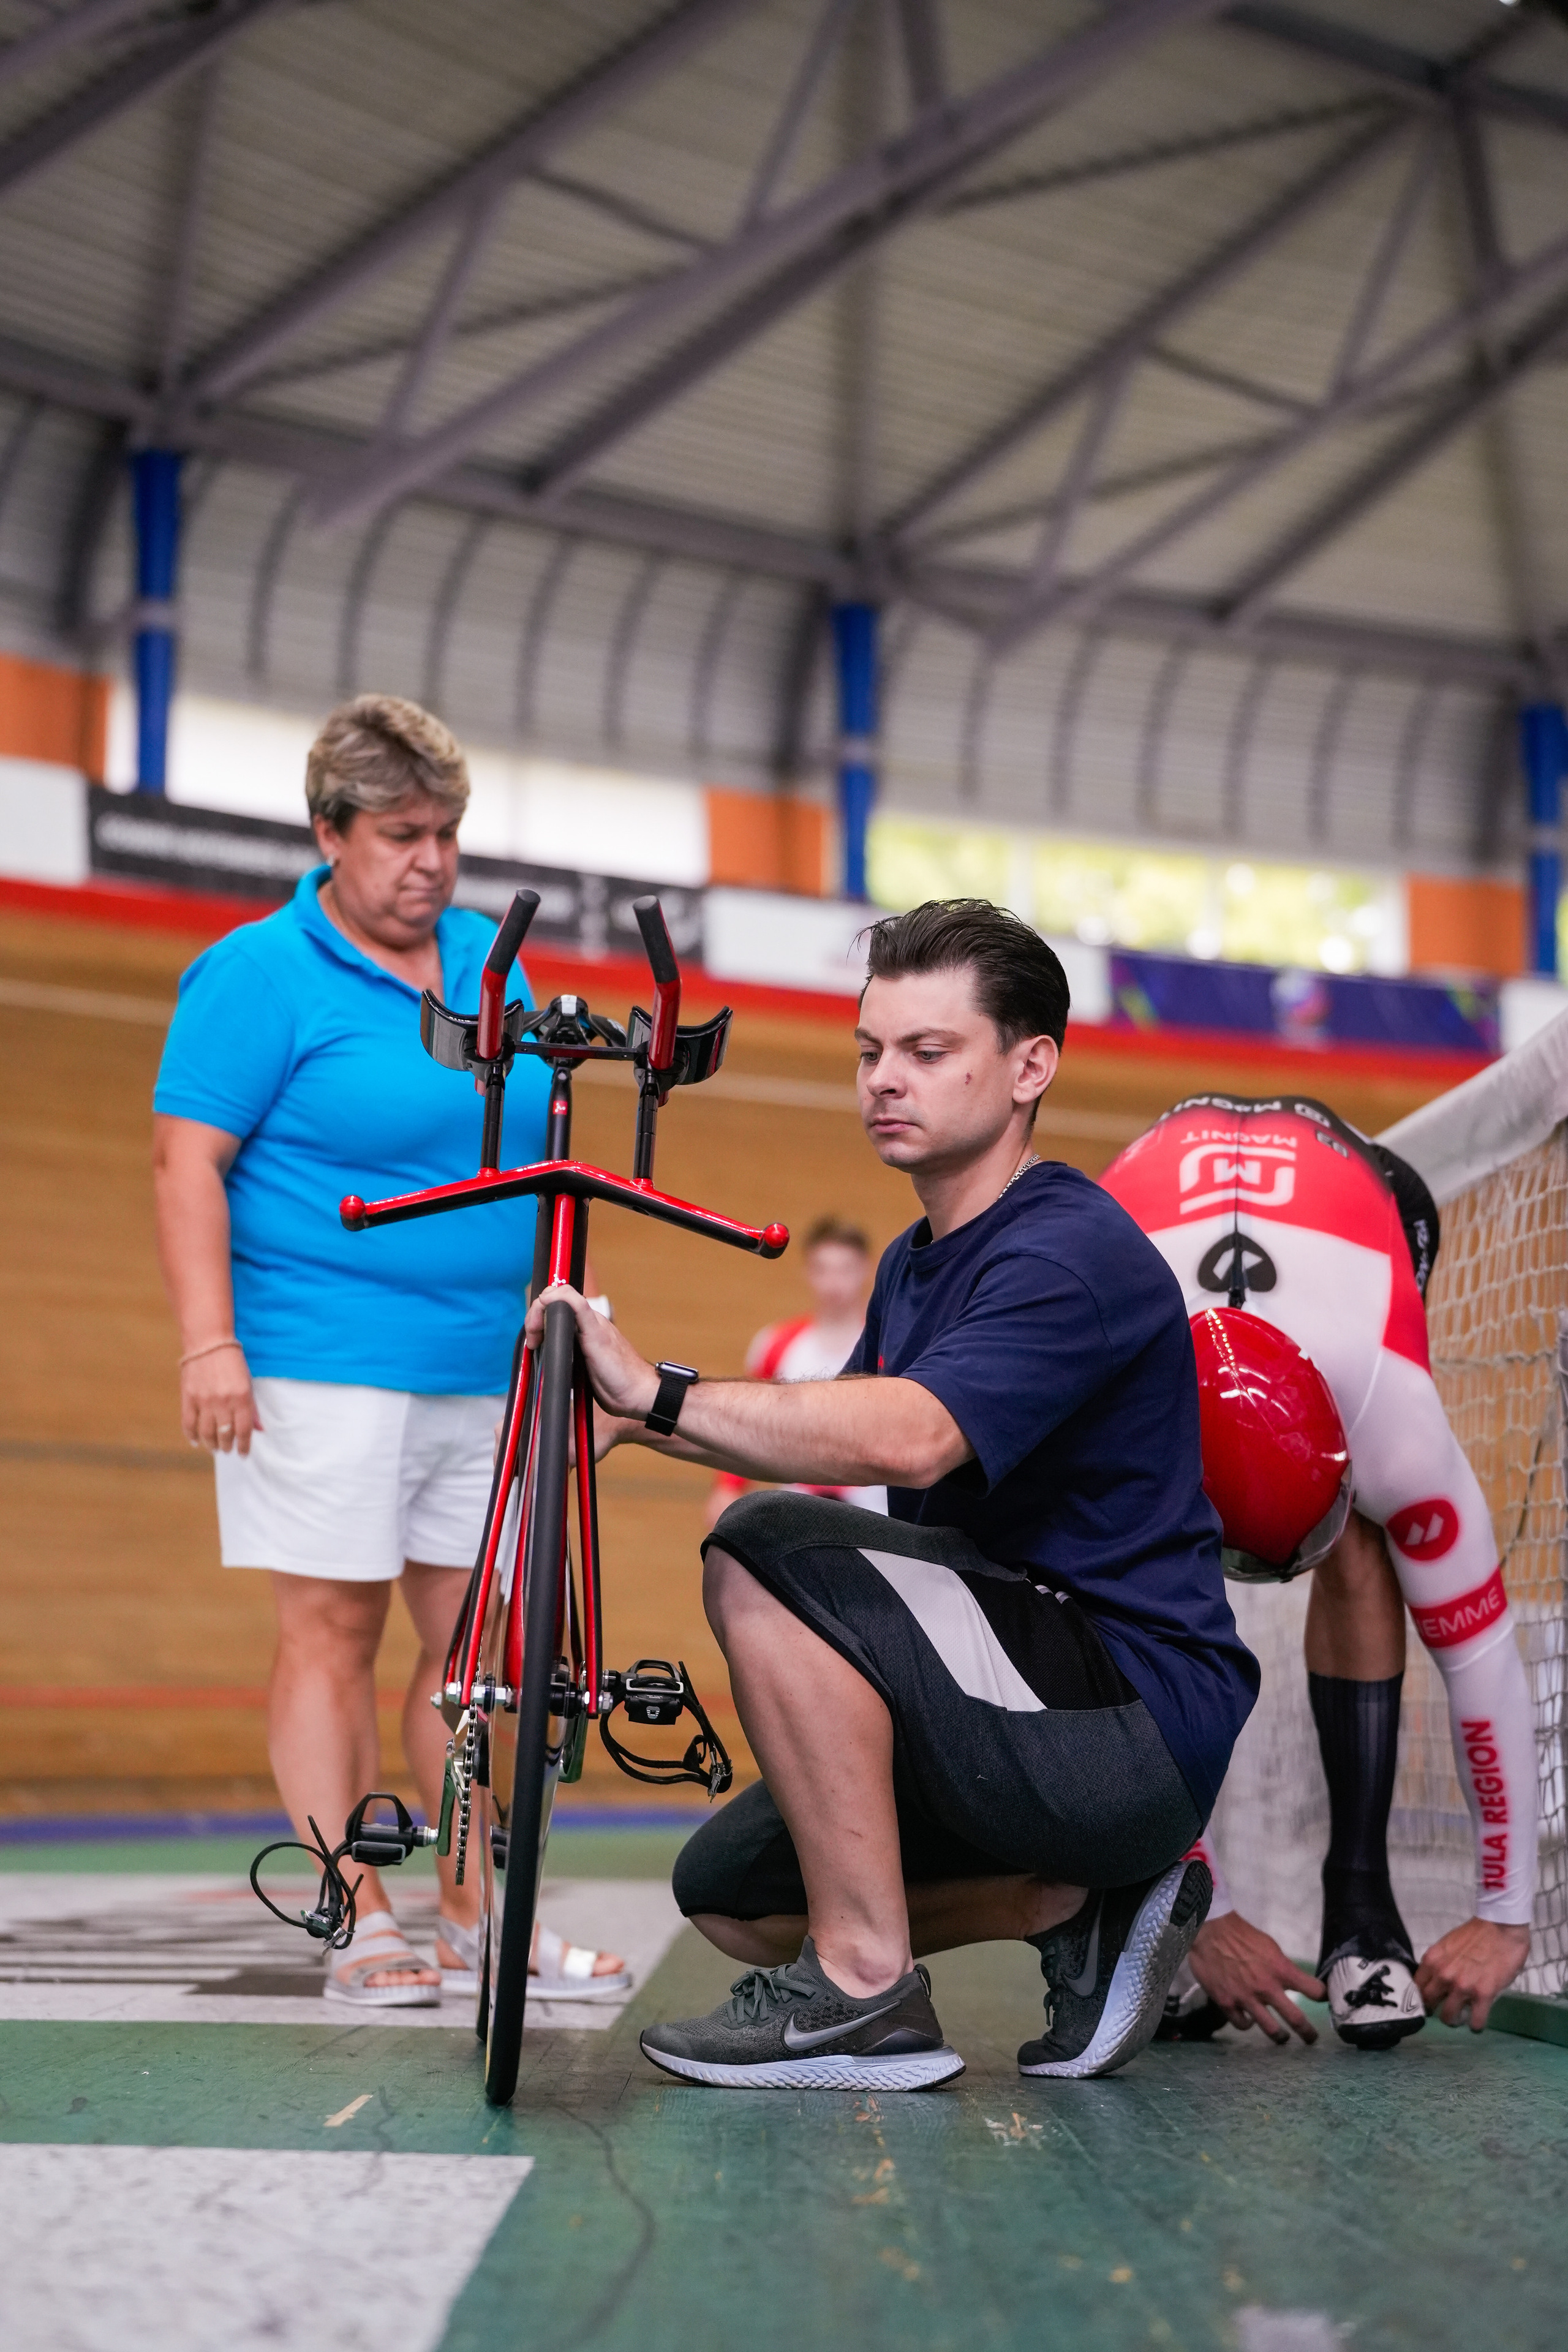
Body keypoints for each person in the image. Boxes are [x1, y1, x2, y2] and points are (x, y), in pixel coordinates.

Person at [523, 898, 1259, 2090]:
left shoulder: (1065, 1251)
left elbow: (911, 1439)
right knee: (730, 1896)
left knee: (758, 1545)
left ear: (1030, 1067)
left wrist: (658, 1392)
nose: (883, 1081)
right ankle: (1066, 1905)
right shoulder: (919, 1267)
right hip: (1005, 1703)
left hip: (1120, 1724)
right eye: (870, 1051)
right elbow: (844, 1443)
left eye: (927, 1052)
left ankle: (864, 1994)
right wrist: (628, 1423)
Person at [152, 693, 626, 2008]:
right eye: (402, 834)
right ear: (329, 831)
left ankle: (485, 1920)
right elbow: (187, 1160)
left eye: (448, 835)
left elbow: (537, 1152)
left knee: (474, 1656)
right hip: (316, 1358)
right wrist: (210, 1345)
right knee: (330, 1635)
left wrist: (564, 1313)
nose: (430, 861)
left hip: (484, 1366)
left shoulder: (494, 958)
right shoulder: (257, 973)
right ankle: (358, 1922)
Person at [1099, 1092, 1537, 2048]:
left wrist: (1508, 1912)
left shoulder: (1395, 1420)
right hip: (1160, 1184)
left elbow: (1483, 1661)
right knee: (1127, 1596)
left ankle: (1360, 1901)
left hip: (1363, 1186)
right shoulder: (1099, 1400)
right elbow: (1079, 1656)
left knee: (1370, 1545)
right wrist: (1193, 1904)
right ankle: (1174, 1902)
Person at [706, 1216, 886, 1527]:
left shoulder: (888, 1347)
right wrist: (728, 1487)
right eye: (824, 1269)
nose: (834, 1283)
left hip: (876, 1511)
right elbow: (748, 1419)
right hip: (795, 1511)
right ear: (809, 1272)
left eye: (845, 1269)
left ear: (865, 1270)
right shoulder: (777, 1345)